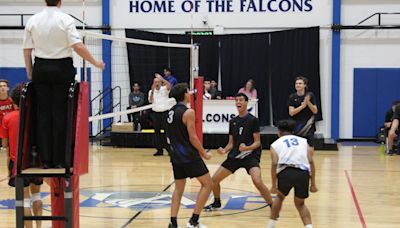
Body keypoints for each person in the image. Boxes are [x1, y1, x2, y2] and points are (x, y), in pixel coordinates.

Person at [23, 0, 105, 168]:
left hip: (41, 69)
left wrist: (30, 71)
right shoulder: (65, 19)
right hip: (61, 69)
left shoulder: (33, 20)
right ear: (60, 2)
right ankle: (60, 160)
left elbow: (27, 49)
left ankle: (45, 159)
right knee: (61, 114)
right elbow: (77, 46)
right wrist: (95, 62)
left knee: (43, 115)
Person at [204, 93, 273, 211]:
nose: (238, 103)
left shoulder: (253, 120)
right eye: (236, 100)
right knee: (213, 180)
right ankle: (216, 202)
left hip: (250, 156)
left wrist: (247, 148)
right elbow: (231, 143)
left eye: (241, 100)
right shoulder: (233, 121)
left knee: (257, 181)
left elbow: (257, 143)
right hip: (235, 157)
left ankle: (273, 205)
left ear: (246, 103)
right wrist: (224, 150)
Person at [166, 83, 213, 228]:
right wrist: (204, 153)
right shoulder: (188, 112)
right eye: (188, 91)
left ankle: (173, 223)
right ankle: (194, 221)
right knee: (208, 184)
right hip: (189, 156)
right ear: (185, 95)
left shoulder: (170, 112)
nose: (190, 93)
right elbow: (193, 137)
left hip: (175, 156)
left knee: (178, 189)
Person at [0, 85, 43, 228]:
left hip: (18, 162)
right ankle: (39, 226)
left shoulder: (7, 118)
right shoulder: (36, 118)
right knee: (36, 196)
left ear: (13, 100)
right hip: (35, 161)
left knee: (24, 200)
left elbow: (5, 145)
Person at [268, 119, 317, 228]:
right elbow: (311, 162)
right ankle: (309, 226)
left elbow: (274, 163)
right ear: (293, 131)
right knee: (300, 204)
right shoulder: (303, 141)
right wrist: (313, 184)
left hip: (286, 172)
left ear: (279, 132)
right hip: (303, 174)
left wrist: (273, 185)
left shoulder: (275, 144)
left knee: (279, 198)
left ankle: (271, 225)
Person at [288, 76, 318, 150]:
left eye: (300, 83)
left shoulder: (310, 95)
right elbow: (291, 113)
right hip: (296, 125)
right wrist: (302, 106)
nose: (298, 85)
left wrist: (308, 102)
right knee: (297, 148)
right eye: (296, 83)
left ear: (305, 85)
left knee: (310, 147)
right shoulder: (292, 97)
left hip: (308, 125)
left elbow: (315, 111)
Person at [149, 73, 171, 156]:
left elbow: (169, 85)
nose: (157, 83)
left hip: (165, 113)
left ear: (161, 83)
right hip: (156, 114)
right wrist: (152, 92)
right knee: (157, 132)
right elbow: (150, 101)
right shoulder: (151, 91)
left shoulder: (164, 89)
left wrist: (162, 79)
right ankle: (159, 150)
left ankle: (169, 149)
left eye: (158, 82)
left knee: (167, 132)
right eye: (155, 82)